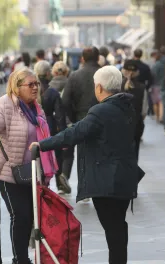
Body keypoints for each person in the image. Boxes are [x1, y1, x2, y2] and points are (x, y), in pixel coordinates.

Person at [30, 66, 144, 264]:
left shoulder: (100, 111)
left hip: (107, 178)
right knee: (118, 223)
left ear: (99, 87)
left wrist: (42, 144)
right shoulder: (128, 106)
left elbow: (74, 134)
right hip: (125, 174)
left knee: (112, 224)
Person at [0, 67, 58, 264]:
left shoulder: (35, 108)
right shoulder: (4, 104)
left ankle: (18, 259)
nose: (34, 88)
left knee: (31, 216)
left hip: (31, 172)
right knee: (20, 215)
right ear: (16, 86)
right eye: (29, 84)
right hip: (8, 170)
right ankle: (21, 263)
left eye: (36, 84)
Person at [62, 46, 100, 202]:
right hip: (104, 117)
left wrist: (73, 117)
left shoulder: (75, 76)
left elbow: (65, 101)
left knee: (83, 155)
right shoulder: (106, 74)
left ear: (82, 59)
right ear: (98, 58)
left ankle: (85, 189)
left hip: (82, 118)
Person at [34, 60, 70, 194]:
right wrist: (64, 135)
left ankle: (39, 181)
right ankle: (58, 182)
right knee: (56, 155)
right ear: (48, 73)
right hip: (50, 126)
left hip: (35, 126)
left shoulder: (32, 90)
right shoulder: (52, 93)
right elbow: (60, 115)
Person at [49, 61, 75, 188]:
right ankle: (64, 176)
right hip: (69, 122)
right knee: (68, 154)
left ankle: (59, 182)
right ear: (66, 72)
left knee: (56, 154)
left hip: (53, 124)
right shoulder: (71, 84)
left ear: (53, 72)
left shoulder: (48, 86)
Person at [121, 60, 147, 161]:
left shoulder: (116, 86)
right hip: (136, 125)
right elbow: (144, 111)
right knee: (134, 152)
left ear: (123, 71)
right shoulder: (142, 87)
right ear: (137, 72)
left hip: (119, 125)